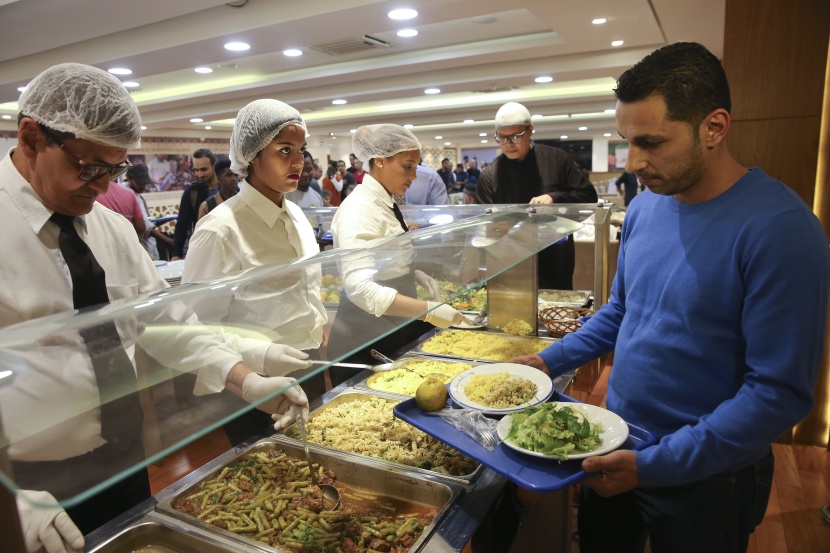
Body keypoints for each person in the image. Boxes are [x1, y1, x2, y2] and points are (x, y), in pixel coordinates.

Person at [509, 42, 830, 553]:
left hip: (709, 475)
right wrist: (546, 362)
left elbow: (777, 392)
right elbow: (621, 311)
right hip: (614, 438)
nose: (633, 161)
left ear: (714, 128)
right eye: (626, 141)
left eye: (651, 142)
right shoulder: (645, 207)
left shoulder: (782, 231)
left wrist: (654, 465)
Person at [0, 63, 311, 553]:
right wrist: (10, 495)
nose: (103, 187)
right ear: (32, 137)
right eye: (89, 168)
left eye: (115, 170)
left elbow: (167, 322)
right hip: (27, 480)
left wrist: (244, 379)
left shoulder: (111, 230)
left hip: (121, 458)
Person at [182, 98, 328, 444]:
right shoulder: (220, 230)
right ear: (251, 156)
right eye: (284, 150)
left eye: (302, 150)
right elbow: (197, 329)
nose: (298, 162)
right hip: (249, 384)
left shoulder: (294, 216)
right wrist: (258, 356)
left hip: (302, 365)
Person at [328, 124, 470, 384]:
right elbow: (360, 288)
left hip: (389, 327)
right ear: (380, 160)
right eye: (407, 166)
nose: (414, 176)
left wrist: (411, 272)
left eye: (416, 167)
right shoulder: (360, 209)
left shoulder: (385, 200)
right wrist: (428, 310)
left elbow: (381, 255)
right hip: (363, 336)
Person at [475, 101, 598, 290]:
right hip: (510, 257)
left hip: (555, 255)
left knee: (554, 309)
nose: (508, 144)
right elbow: (483, 221)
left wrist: (554, 198)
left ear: (530, 130)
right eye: (502, 138)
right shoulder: (490, 174)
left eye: (515, 137)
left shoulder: (557, 160)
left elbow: (589, 196)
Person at [171, 148, 217, 259]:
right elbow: (182, 225)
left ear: (214, 166)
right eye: (196, 170)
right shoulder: (191, 192)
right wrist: (176, 254)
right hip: (202, 250)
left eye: (203, 169)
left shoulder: (227, 189)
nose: (199, 174)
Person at [125, 163, 174, 260]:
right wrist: (168, 241)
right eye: (139, 183)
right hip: (140, 250)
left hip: (148, 247)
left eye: (144, 183)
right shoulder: (127, 193)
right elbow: (143, 226)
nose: (142, 186)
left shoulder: (136, 194)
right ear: (129, 178)